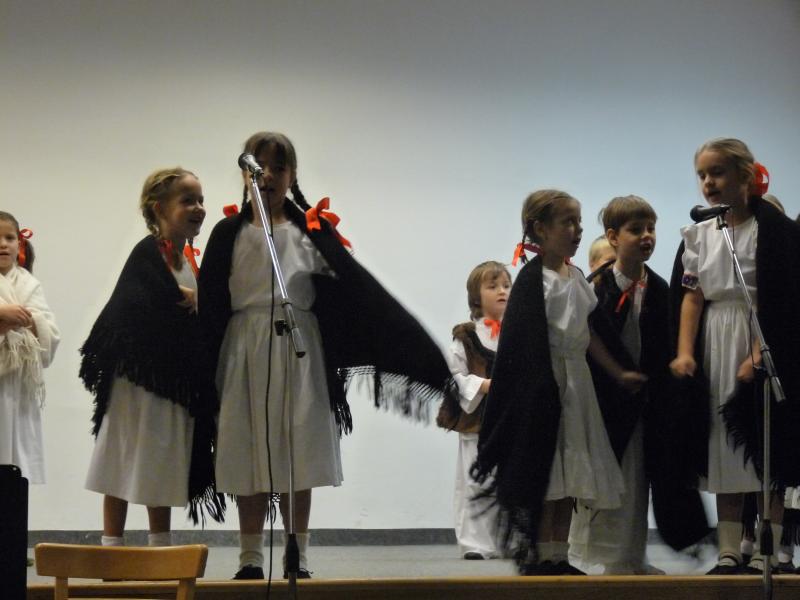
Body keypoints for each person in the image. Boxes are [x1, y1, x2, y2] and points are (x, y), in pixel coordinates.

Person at [199, 131, 455, 580]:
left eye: (279, 168)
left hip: (298, 346)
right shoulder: (227, 234)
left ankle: (296, 553)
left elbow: (351, 288)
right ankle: (250, 557)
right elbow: (211, 300)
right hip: (244, 347)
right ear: (246, 175)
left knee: (298, 449)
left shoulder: (309, 230)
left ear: (293, 175)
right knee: (248, 449)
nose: (269, 176)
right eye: (260, 167)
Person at [472, 189, 646, 575]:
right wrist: (537, 387)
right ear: (540, 229)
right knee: (547, 470)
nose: (577, 230)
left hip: (576, 385)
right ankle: (539, 554)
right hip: (543, 386)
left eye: (579, 222)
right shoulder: (532, 281)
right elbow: (521, 344)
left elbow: (591, 333)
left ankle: (559, 555)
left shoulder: (577, 277)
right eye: (568, 222)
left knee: (572, 473)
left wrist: (618, 372)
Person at [670, 138, 800, 574]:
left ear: (746, 176)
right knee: (722, 447)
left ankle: (768, 548)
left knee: (766, 447)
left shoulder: (773, 231)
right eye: (702, 175)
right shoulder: (700, 234)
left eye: (718, 173)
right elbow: (692, 297)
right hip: (716, 337)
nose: (708, 182)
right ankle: (728, 550)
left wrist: (759, 352)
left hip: (759, 334)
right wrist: (685, 352)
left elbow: (778, 299)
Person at [82, 168, 222, 548]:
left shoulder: (186, 261)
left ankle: (160, 548)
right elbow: (133, 309)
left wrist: (199, 301)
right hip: (139, 383)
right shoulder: (147, 254)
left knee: (161, 462)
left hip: (170, 382)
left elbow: (196, 316)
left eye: (201, 200)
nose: (199, 208)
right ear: (159, 208)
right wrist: (180, 302)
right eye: (188, 201)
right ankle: (112, 548)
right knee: (122, 460)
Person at [569, 195, 708, 574]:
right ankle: (610, 558)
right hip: (608, 403)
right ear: (613, 237)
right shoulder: (596, 289)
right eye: (636, 230)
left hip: (648, 402)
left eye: (651, 228)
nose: (647, 236)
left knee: (640, 481)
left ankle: (632, 556)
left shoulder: (661, 291)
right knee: (612, 481)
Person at [440, 260, 511, 560]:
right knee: (475, 479)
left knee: (508, 479)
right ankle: (476, 543)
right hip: (477, 420)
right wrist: (482, 385)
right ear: (476, 297)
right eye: (493, 286)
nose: (502, 291)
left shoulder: (518, 332)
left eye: (506, 285)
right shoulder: (466, 337)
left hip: (510, 418)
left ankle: (507, 541)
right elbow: (453, 376)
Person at [0, 212, 59, 485]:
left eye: (9, 237)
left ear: (19, 244)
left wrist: (28, 320)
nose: (3, 244)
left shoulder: (29, 284)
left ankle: (11, 509)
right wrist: (3, 315)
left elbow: (51, 334)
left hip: (19, 383)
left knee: (14, 468)